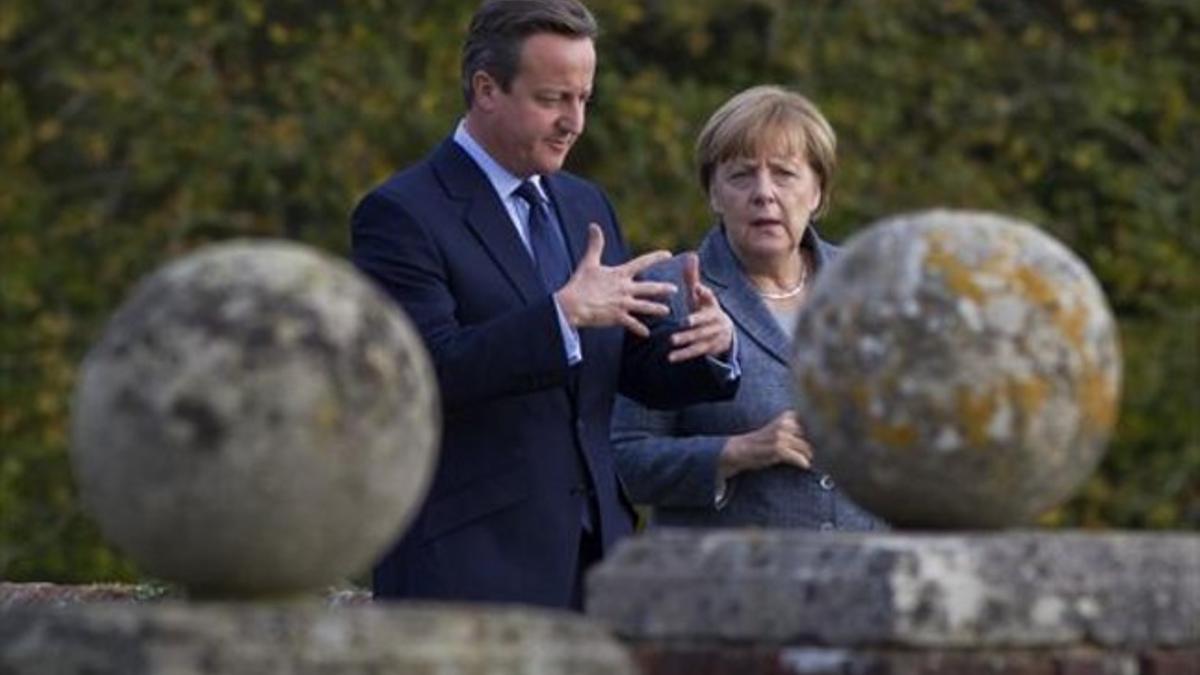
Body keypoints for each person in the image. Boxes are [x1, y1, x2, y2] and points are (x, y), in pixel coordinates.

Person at [350, 0, 738, 610]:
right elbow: (422, 372)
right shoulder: (400, 215)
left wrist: (709, 346)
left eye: (584, 98)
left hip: (597, 561)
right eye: (553, 99)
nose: (574, 122)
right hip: (466, 567)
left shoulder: (586, 204)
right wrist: (561, 316)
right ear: (486, 90)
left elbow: (621, 367)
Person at [611, 85, 886, 530]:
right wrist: (738, 451)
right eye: (741, 175)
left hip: (862, 581)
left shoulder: (871, 283)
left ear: (818, 192)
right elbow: (624, 459)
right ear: (714, 195)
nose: (764, 193)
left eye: (784, 174)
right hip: (730, 588)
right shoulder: (667, 292)